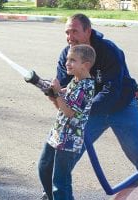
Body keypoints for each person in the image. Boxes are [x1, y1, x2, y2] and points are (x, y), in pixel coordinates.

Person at [41, 13, 138, 200]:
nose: (70, 37)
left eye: (74, 31)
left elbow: (111, 91)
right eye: (67, 32)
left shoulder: (109, 50)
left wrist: (80, 110)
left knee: (137, 151)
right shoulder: (67, 55)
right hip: (89, 109)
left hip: (121, 105)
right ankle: (52, 193)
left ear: (88, 31)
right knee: (66, 153)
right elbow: (63, 89)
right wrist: (54, 93)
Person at [38, 44, 96, 200]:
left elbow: (70, 112)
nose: (67, 63)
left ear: (86, 65)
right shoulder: (75, 81)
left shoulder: (86, 87)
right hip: (57, 134)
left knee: (60, 181)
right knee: (44, 166)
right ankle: (49, 197)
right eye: (67, 59)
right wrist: (53, 95)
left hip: (69, 141)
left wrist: (57, 93)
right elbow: (61, 106)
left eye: (72, 60)